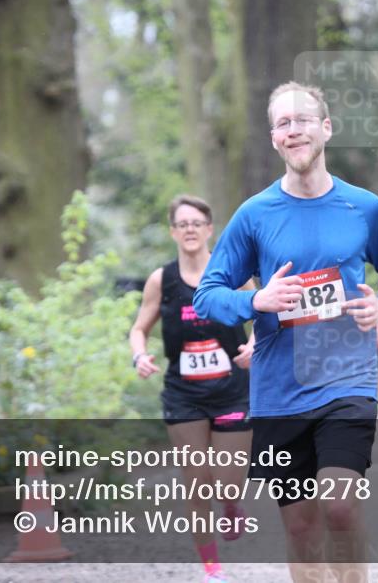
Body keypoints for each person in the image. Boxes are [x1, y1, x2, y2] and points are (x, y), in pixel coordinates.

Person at [194, 81, 378, 583]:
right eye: (283, 123)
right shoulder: (254, 215)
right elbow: (208, 294)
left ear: (326, 128)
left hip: (347, 381)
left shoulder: (364, 207)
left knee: (339, 507)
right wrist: (256, 300)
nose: (294, 130)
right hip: (279, 391)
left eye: (304, 119)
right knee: (300, 528)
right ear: (274, 138)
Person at [130, 194, 256, 583]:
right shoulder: (161, 280)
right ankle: (212, 569)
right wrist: (139, 356)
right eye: (182, 224)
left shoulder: (233, 273)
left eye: (196, 223)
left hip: (232, 390)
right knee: (196, 480)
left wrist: (253, 346)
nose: (189, 229)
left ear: (209, 230)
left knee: (227, 480)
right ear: (172, 231)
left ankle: (232, 504)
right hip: (183, 394)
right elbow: (139, 329)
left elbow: (264, 320)